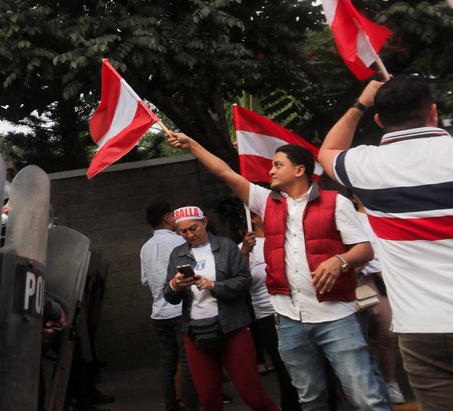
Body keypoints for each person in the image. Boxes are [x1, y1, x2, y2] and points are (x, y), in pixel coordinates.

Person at [167, 135, 389, 411]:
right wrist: (193, 145)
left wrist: (339, 261)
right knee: (310, 399)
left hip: (336, 317)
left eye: (277, 165)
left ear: (299, 170)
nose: (270, 171)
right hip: (289, 321)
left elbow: (365, 250)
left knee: (364, 396)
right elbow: (225, 172)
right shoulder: (264, 202)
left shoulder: (336, 203)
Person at [318, 74, 453, 411]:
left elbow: (328, 151)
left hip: (422, 330)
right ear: (433, 112)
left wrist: (360, 103)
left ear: (379, 120)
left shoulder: (366, 166)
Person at [163, 206, 280, 411]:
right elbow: (170, 296)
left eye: (194, 228)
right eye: (183, 232)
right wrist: (175, 285)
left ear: (205, 222)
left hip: (232, 328)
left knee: (254, 396)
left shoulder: (226, 247)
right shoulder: (177, 254)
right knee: (209, 401)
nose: (190, 235)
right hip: (195, 332)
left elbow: (244, 283)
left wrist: (214, 286)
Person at [141, 202, 200, 411]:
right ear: (168, 218)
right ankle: (192, 404)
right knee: (187, 361)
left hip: (158, 314)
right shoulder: (179, 241)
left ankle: (171, 405)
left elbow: (145, 280)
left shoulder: (145, 247)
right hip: (179, 310)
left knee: (167, 362)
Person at [240, 213, 301, 411]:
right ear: (254, 219)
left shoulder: (288, 237)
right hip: (268, 317)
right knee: (286, 374)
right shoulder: (243, 247)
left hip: (298, 310)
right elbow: (240, 282)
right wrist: (245, 253)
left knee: (309, 370)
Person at [350, 196, 405, 405]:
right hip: (365, 280)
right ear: (354, 197)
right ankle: (372, 384)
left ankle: (390, 381)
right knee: (360, 335)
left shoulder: (384, 215)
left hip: (391, 280)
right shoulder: (353, 218)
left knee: (388, 332)